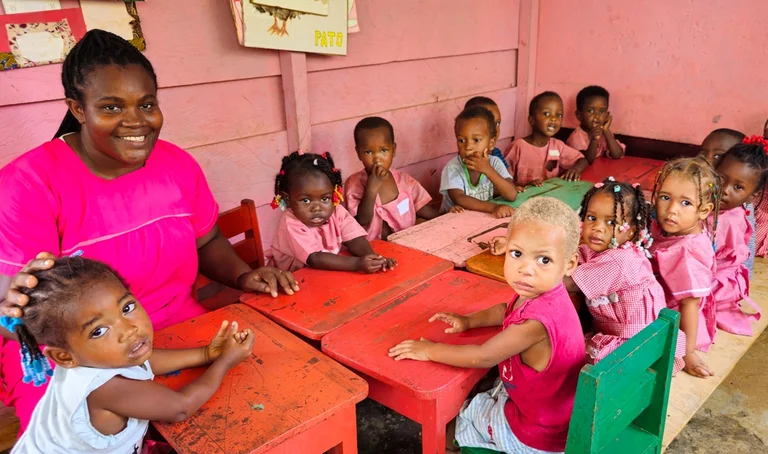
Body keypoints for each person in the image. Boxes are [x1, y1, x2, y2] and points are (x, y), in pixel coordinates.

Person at [0, 29, 296, 434]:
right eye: (111, 107)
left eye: (147, 104)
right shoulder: (27, 185)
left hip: (176, 329)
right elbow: (18, 314)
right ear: (78, 109)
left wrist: (244, 275)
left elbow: (206, 239)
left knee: (271, 399)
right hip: (76, 355)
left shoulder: (177, 166)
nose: (136, 121)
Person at [389, 197, 586, 454]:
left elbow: (482, 356)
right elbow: (502, 310)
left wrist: (428, 351)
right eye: (517, 254)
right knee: (482, 391)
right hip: (552, 411)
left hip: (536, 435)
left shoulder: (536, 322)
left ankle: (450, 445)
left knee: (452, 421)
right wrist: (468, 321)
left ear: (569, 264)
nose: (526, 269)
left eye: (544, 260)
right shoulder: (544, 293)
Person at [9, 257, 254, 453]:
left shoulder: (93, 356)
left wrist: (205, 354)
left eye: (127, 308)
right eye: (99, 331)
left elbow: (145, 363)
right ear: (63, 357)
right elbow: (181, 407)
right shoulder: (106, 390)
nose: (129, 330)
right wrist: (225, 362)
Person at [564, 179, 684, 371]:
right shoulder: (608, 248)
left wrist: (533, 260)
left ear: (631, 232)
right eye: (591, 217)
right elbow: (572, 253)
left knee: (564, 355)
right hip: (642, 340)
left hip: (632, 348)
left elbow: (567, 283)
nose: (598, 228)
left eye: (611, 222)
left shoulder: (618, 261)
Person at [270, 151, 397, 272]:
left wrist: (374, 259)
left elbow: (355, 240)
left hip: (326, 275)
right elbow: (315, 258)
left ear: (334, 193)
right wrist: (357, 263)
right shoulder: (291, 223)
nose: (317, 208)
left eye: (325, 199)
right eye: (306, 201)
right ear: (288, 199)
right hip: (294, 281)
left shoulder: (337, 212)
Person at [649, 158, 719, 378]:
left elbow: (689, 303)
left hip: (677, 317)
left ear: (704, 210)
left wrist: (687, 353)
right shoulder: (671, 228)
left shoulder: (688, 253)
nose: (671, 210)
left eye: (685, 203)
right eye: (665, 197)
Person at [344, 117, 451, 241]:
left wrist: (445, 218)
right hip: (372, 253)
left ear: (393, 150)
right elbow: (362, 220)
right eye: (368, 152)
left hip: (406, 245)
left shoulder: (404, 181)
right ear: (358, 153)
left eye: (383, 150)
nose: (377, 159)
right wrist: (371, 189)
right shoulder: (353, 184)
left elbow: (419, 207)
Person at [709, 139, 767, 336]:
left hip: (715, 281)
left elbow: (744, 258)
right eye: (721, 178)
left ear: (752, 196)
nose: (725, 190)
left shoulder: (733, 219)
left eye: (738, 187)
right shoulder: (705, 199)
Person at [439, 106, 517, 217]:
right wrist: (493, 207)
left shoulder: (495, 163)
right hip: (454, 221)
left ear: (491, 143)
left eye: (476, 140)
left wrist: (488, 170)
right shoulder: (453, 167)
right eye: (461, 140)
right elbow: (459, 198)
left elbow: (511, 194)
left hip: (480, 219)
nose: (468, 147)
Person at [698, 129, 754, 276]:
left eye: (718, 156)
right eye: (703, 153)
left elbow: (746, 258)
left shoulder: (737, 208)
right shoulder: (698, 183)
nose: (706, 161)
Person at [505, 92, 588, 190]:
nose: (553, 118)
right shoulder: (518, 147)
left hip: (550, 197)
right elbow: (504, 180)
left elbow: (582, 160)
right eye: (546, 114)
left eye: (559, 115)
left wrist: (575, 169)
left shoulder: (557, 146)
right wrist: (524, 185)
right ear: (532, 120)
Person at [566, 85, 625, 162]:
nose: (597, 116)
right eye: (590, 111)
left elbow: (617, 154)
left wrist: (606, 130)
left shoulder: (603, 133)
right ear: (579, 115)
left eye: (602, 111)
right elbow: (587, 160)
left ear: (607, 116)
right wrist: (594, 140)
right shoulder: (576, 138)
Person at [464, 96, 508, 168]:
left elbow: (507, 178)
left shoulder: (496, 152)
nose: (495, 130)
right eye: (489, 123)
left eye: (497, 123)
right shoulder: (467, 157)